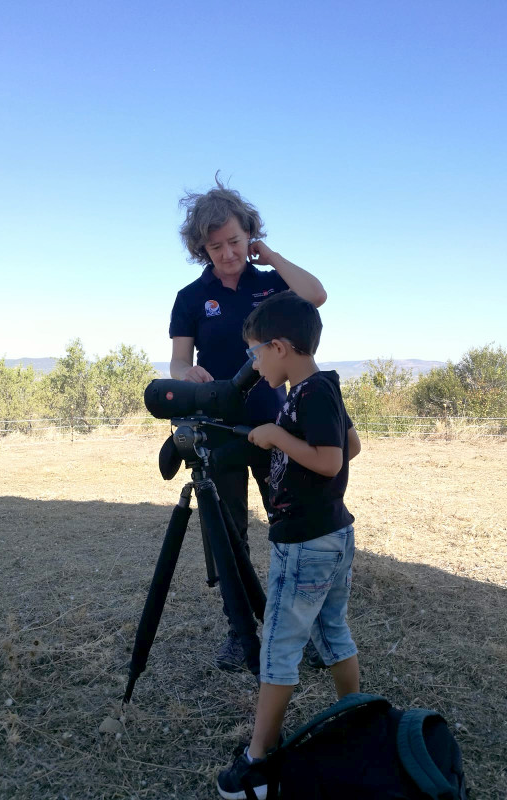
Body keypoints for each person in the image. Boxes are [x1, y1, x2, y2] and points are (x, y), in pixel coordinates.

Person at [169, 175, 326, 671]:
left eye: (235, 241)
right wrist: (185, 374)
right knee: (228, 535)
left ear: (249, 235)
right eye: (215, 246)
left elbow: (317, 296)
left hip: (278, 424)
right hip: (218, 431)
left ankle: (308, 630)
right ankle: (242, 635)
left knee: (294, 527)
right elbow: (177, 362)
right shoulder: (190, 297)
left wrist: (272, 257)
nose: (228, 253)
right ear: (201, 248)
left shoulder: (271, 284)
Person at [217, 291, 361, 800]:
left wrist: (278, 438)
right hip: (333, 535)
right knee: (332, 628)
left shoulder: (311, 393)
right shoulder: (322, 387)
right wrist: (285, 431)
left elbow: (330, 461)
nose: (254, 364)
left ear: (279, 347)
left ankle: (258, 760)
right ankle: (356, 720)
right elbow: (353, 444)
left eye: (256, 352)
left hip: (305, 543)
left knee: (279, 645)